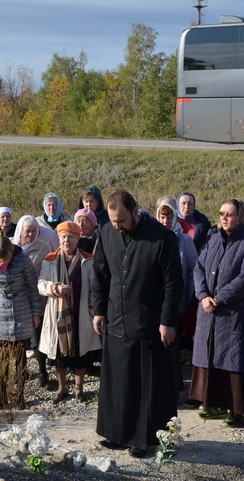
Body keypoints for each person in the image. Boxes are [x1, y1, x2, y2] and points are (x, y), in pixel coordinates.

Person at [91, 190, 182, 458]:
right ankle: (116, 433)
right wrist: (99, 311)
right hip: (116, 320)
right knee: (118, 383)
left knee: (143, 387)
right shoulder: (107, 233)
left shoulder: (162, 238)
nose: (117, 225)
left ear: (135, 212)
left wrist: (167, 322)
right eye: (112, 221)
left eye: (121, 220)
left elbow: (173, 284)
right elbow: (100, 274)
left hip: (148, 323)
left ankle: (141, 440)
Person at [190, 199, 244, 428]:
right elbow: (198, 268)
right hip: (208, 310)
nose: (224, 218)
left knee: (232, 359)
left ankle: (236, 408)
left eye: (229, 214)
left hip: (232, 313)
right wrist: (203, 295)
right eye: (222, 213)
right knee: (210, 356)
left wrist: (219, 298)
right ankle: (214, 403)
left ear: (241, 217)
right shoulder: (214, 238)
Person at [38, 221, 101, 403]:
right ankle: (62, 387)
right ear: (59, 239)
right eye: (63, 237)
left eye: (71, 237)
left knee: (81, 353)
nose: (67, 240)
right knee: (59, 354)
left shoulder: (87, 260)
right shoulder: (50, 259)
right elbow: (41, 283)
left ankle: (79, 388)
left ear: (77, 239)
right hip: (58, 315)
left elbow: (94, 289)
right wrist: (54, 288)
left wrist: (92, 312)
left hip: (81, 314)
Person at [0, 235, 43, 410]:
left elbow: (33, 285)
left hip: (22, 310)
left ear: (12, 251)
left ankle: (20, 396)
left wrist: (36, 313)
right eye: (0, 259)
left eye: (6, 258)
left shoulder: (23, 258)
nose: (3, 262)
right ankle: (1, 396)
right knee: (2, 358)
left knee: (21, 357)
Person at [156, 199, 198, 394]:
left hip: (179, 301)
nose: (166, 221)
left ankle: (176, 384)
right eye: (162, 217)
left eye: (169, 217)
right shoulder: (153, 239)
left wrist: (189, 297)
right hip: (157, 303)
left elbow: (192, 270)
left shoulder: (184, 240)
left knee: (174, 346)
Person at [13, 215, 53, 387]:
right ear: (21, 231)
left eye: (34, 231)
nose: (31, 234)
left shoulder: (43, 247)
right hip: (16, 301)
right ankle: (21, 371)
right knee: (18, 339)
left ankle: (43, 372)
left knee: (37, 338)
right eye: (28, 231)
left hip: (36, 299)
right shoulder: (11, 246)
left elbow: (48, 272)